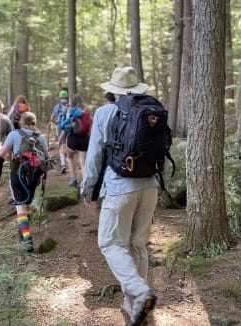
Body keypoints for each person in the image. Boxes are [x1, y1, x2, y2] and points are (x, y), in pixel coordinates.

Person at [81, 66, 158, 326]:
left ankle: (139, 291)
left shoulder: (104, 112)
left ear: (113, 91)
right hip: (150, 186)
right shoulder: (151, 111)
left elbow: (94, 156)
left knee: (111, 244)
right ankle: (135, 307)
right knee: (137, 245)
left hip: (119, 188)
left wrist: (88, 189)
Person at [0, 112, 49, 253]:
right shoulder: (41, 137)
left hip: (17, 174)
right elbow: (46, 158)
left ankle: (27, 239)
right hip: (34, 176)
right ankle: (24, 227)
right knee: (27, 202)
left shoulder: (14, 134)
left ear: (21, 122)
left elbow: (2, 154)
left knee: (20, 205)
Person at [58, 94, 91, 187]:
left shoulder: (70, 111)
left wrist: (60, 139)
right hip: (85, 138)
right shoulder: (86, 111)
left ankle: (73, 179)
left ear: (72, 101)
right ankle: (85, 181)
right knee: (83, 161)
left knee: (69, 157)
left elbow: (66, 127)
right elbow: (90, 126)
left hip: (72, 138)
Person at [50, 89, 70, 174]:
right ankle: (68, 162)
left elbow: (52, 118)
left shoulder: (57, 106)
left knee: (61, 144)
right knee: (68, 144)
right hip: (69, 127)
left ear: (60, 97)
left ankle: (63, 164)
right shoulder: (70, 105)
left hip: (60, 127)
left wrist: (57, 123)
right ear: (67, 97)